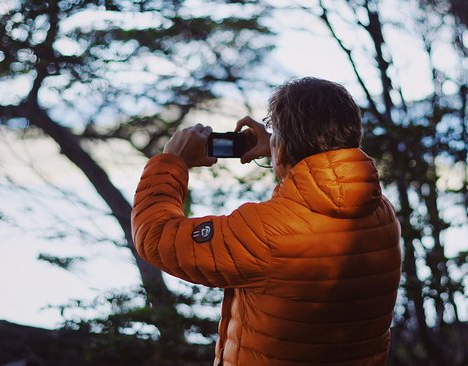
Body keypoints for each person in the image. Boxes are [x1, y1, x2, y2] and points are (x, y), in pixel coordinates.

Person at [131, 77, 402, 366]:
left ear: (283, 147)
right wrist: (281, 149)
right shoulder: (380, 212)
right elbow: (327, 183)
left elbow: (156, 238)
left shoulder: (267, 233)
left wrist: (172, 162)